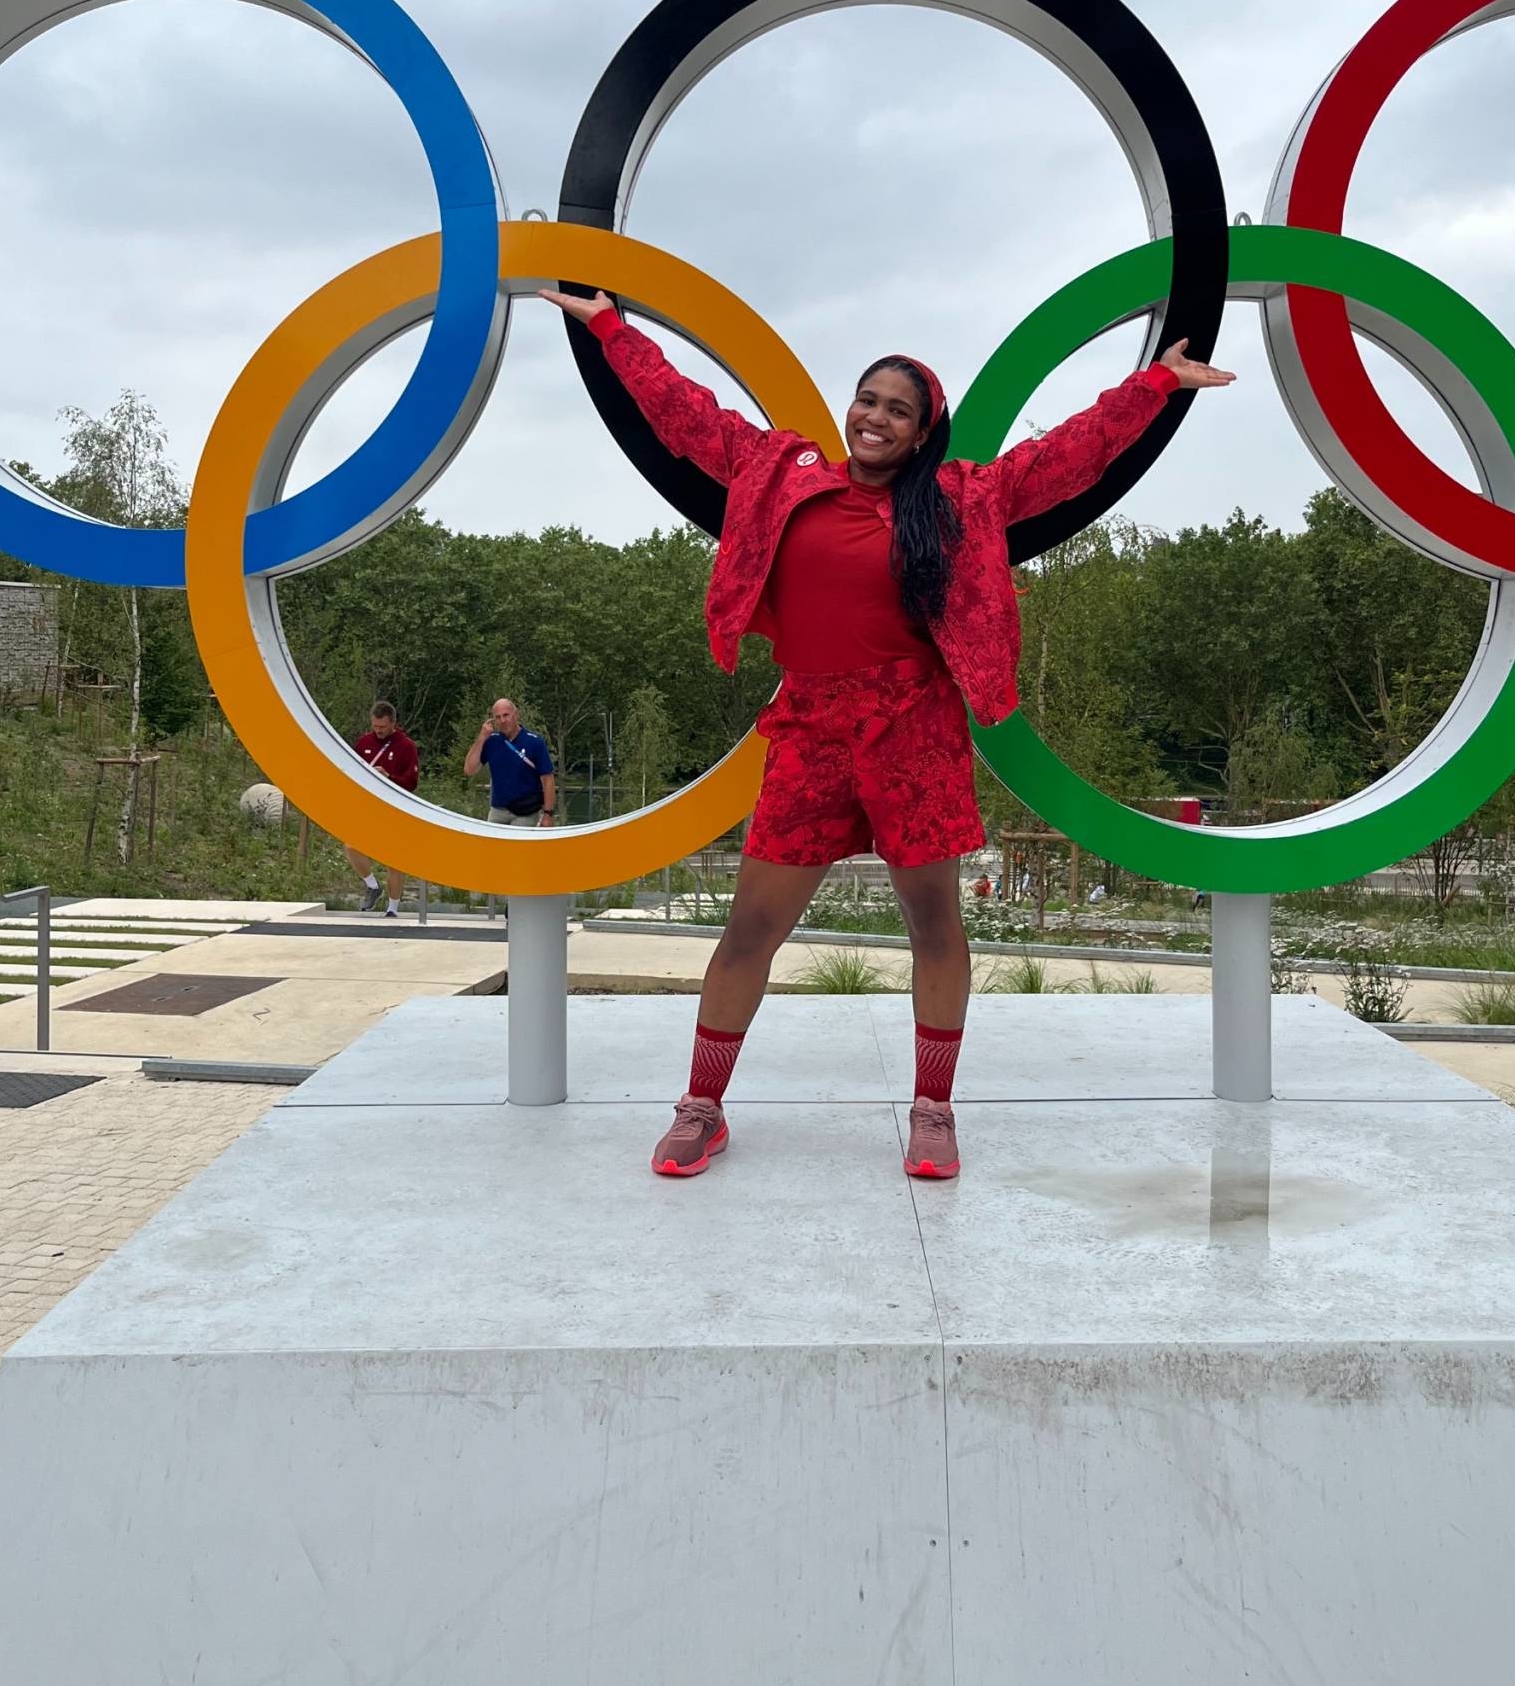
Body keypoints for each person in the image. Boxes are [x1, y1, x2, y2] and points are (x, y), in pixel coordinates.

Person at [540, 286, 1232, 1182]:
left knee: (935, 920)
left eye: (896, 410)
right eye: (868, 399)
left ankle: (934, 1110)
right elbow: (684, 414)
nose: (874, 418)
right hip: (812, 727)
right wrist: (609, 328)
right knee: (750, 925)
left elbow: (1067, 457)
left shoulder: (957, 501)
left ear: (921, 431)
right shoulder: (782, 472)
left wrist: (1154, 386)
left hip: (916, 729)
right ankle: (701, 1106)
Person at [345, 700, 420, 915]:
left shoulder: (406, 746)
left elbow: (411, 782)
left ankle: (393, 908)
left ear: (393, 723)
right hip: (368, 806)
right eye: (375, 726)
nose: (378, 731)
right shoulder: (364, 742)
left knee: (393, 859)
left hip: (396, 808)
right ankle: (372, 886)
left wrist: (389, 777)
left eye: (383, 727)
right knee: (351, 845)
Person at [464, 698, 558, 829]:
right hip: (498, 810)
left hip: (525, 812)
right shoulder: (491, 741)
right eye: (498, 717)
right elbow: (469, 770)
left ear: (516, 714)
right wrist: (482, 737)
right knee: (492, 847)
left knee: (518, 848)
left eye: (506, 715)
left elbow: (548, 780)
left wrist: (548, 814)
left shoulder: (535, 742)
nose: (502, 720)